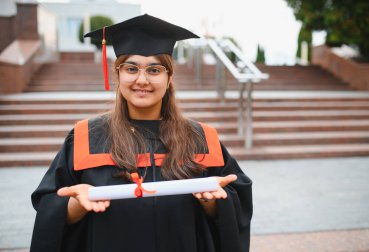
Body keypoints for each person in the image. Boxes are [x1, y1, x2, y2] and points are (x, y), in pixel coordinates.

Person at [30, 14, 252, 252]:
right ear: (117, 74)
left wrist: (213, 202)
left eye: (155, 70)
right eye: (131, 68)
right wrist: (76, 205)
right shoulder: (86, 136)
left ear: (169, 78)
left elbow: (236, 201)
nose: (142, 79)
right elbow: (50, 206)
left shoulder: (201, 138)